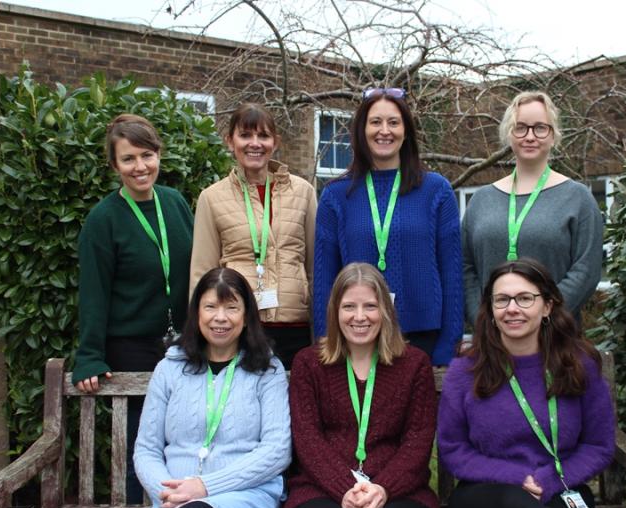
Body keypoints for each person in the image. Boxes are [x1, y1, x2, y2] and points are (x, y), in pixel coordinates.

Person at [438, 258, 615, 508]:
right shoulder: (466, 371)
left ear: (547, 306)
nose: (512, 309)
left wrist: (550, 479)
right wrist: (516, 477)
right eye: (502, 300)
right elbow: (453, 449)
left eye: (524, 298)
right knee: (515, 504)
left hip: (562, 486)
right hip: (486, 493)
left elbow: (598, 445)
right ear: (490, 309)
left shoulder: (578, 365)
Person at [71, 113, 193, 503]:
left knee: (184, 434)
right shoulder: (102, 220)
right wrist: (89, 354)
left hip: (183, 345)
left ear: (159, 155)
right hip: (132, 347)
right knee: (141, 437)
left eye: (147, 155)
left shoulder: (174, 203)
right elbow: (94, 293)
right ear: (114, 165)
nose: (140, 167)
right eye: (128, 159)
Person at [133, 267, 291, 508]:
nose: (220, 318)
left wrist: (205, 487)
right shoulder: (169, 368)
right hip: (174, 498)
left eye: (231, 308)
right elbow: (147, 449)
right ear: (196, 312)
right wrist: (171, 491)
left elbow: (277, 451)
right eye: (210, 307)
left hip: (242, 496)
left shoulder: (267, 370)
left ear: (246, 316)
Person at [284, 262, 439, 508]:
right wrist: (345, 488)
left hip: (400, 492)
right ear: (335, 311)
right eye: (349, 307)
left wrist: (383, 488)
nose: (359, 316)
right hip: (320, 490)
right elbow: (308, 439)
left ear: (385, 311)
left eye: (370, 306)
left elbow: (417, 440)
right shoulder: (308, 364)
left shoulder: (414, 365)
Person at [313, 88, 462, 365]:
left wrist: (447, 347)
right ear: (362, 129)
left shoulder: (436, 190)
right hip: (356, 338)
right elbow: (324, 280)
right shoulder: (336, 195)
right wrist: (325, 343)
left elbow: (452, 275)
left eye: (394, 122)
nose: (385, 131)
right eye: (375, 122)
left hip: (423, 340)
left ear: (406, 130)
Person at [190, 103, 317, 369]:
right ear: (230, 141)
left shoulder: (303, 192)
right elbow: (202, 272)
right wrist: (199, 333)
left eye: (263, 136)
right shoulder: (212, 198)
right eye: (245, 135)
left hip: (295, 326)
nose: (255, 144)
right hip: (240, 327)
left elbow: (314, 267)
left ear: (276, 142)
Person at [462, 91, 604, 326]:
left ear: (553, 135)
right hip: (492, 339)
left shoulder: (578, 198)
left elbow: (586, 271)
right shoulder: (481, 200)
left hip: (555, 339)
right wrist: (483, 318)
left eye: (540, 128)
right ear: (510, 134)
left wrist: (543, 316)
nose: (530, 136)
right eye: (521, 127)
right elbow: (465, 269)